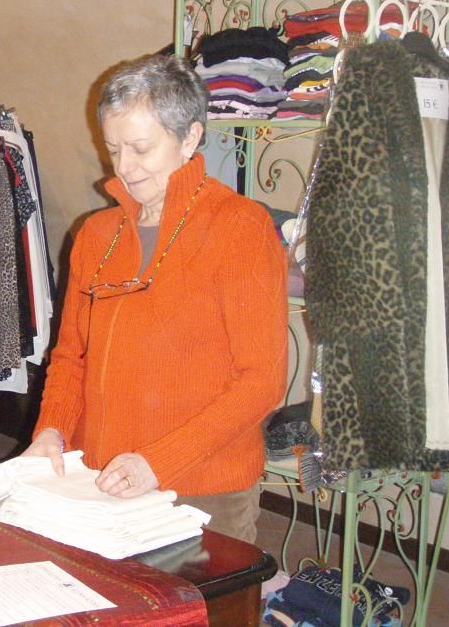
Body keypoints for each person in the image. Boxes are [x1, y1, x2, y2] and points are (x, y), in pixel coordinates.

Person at [21, 54, 288, 543]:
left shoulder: (239, 227)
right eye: (113, 149)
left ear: (189, 137)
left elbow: (262, 382)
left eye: (141, 148)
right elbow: (71, 356)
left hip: (201, 489)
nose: (124, 167)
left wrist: (157, 462)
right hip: (96, 480)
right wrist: (51, 431)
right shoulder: (94, 235)